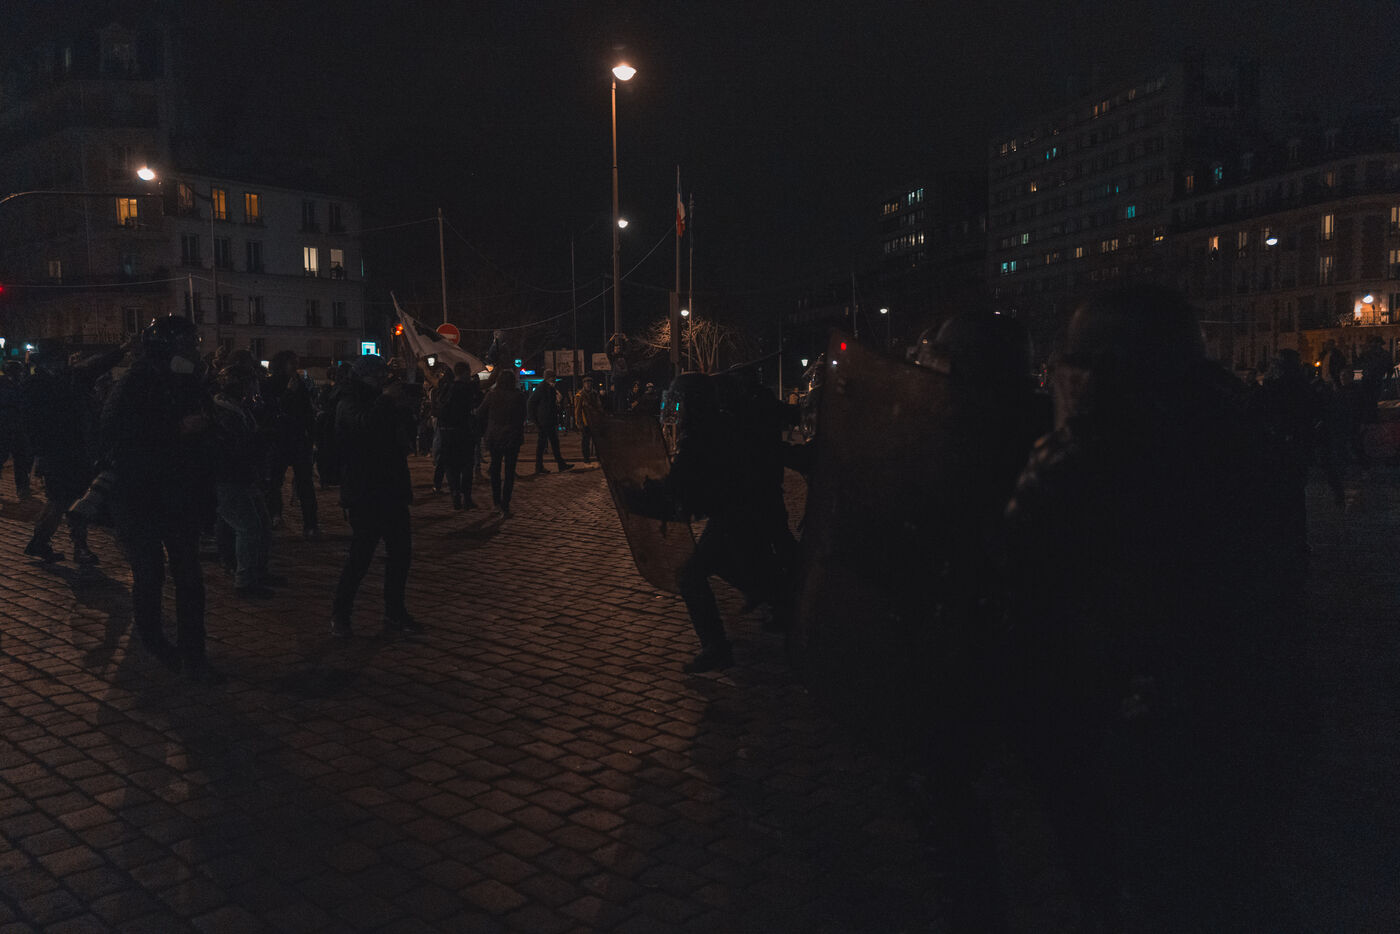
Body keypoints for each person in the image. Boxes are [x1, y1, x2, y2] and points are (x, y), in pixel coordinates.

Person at [1001, 286, 1306, 930]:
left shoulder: (1084, 456)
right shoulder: (1245, 432)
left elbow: (1022, 586)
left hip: (1129, 713)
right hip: (1237, 710)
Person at [101, 315, 221, 681]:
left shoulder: (189, 383)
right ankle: (154, 640)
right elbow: (114, 433)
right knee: (150, 573)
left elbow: (207, 428)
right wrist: (175, 429)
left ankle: (194, 655)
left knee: (189, 577)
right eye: (186, 344)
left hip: (179, 494)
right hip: (140, 496)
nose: (193, 351)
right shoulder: (135, 381)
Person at [656, 372, 794, 673]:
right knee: (723, 563)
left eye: (681, 401)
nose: (678, 409)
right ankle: (780, 599)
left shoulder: (700, 434)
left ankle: (716, 647)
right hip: (740, 511)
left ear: (693, 402)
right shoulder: (721, 424)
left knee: (690, 575)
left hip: (733, 514)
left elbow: (679, 482)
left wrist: (644, 491)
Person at [330, 355, 420, 638]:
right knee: (360, 556)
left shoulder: (380, 401)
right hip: (365, 490)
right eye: (379, 375)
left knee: (400, 554)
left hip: (391, 487)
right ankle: (340, 614)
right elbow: (364, 427)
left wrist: (404, 410)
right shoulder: (348, 401)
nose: (383, 380)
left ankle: (395, 612)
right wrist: (386, 401)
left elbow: (401, 436)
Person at [21, 342, 129, 564]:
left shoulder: (63, 380)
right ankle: (75, 546)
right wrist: (40, 452)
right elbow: (33, 423)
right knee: (66, 499)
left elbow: (97, 366)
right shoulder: (43, 385)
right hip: (59, 450)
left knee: (65, 499)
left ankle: (46, 541)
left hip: (71, 449)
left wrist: (122, 350)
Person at [211, 363, 276, 597]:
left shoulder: (238, 408)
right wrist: (261, 439)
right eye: (249, 384)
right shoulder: (224, 412)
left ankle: (258, 571)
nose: (253, 389)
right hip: (229, 477)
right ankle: (245, 580)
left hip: (244, 476)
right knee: (248, 527)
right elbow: (235, 447)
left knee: (262, 525)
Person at [262, 351, 320, 539]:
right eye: (292, 363)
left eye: (296, 362)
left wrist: (311, 436)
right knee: (274, 482)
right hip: (278, 439)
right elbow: (272, 411)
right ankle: (275, 515)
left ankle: (311, 524)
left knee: (305, 484)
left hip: (298, 440)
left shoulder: (300, 384)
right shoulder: (270, 384)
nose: (295, 366)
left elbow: (307, 412)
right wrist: (288, 393)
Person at [475, 368, 527, 518]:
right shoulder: (518, 396)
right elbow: (523, 415)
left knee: (495, 470)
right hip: (512, 436)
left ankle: (496, 502)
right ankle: (506, 504)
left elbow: (480, 413)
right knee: (509, 472)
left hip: (495, 436)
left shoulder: (492, 395)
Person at [438, 362, 483, 509]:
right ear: (464, 372)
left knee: (451, 466)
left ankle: (455, 493)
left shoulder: (447, 388)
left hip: (448, 432)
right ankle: (466, 497)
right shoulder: (467, 389)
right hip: (463, 431)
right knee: (466, 465)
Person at [0, 360, 34, 501]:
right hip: (5, 426)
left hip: (17, 427)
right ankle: (22, 488)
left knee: (21, 458)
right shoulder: (5, 385)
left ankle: (23, 488)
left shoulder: (19, 384)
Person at [527, 369, 573, 473]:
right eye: (553, 377)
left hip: (548, 420)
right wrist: (535, 420)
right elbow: (531, 403)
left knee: (552, 443)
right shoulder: (542, 388)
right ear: (548, 378)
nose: (554, 379)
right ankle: (542, 466)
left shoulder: (549, 388)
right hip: (544, 421)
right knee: (544, 444)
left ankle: (558, 464)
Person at [572, 376, 599, 464]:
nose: (588, 384)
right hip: (585, 422)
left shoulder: (594, 394)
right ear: (584, 384)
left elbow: (599, 406)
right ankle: (586, 459)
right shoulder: (580, 395)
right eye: (586, 383)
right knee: (585, 441)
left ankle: (598, 458)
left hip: (594, 421)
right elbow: (577, 410)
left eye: (589, 383)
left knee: (596, 441)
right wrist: (578, 422)